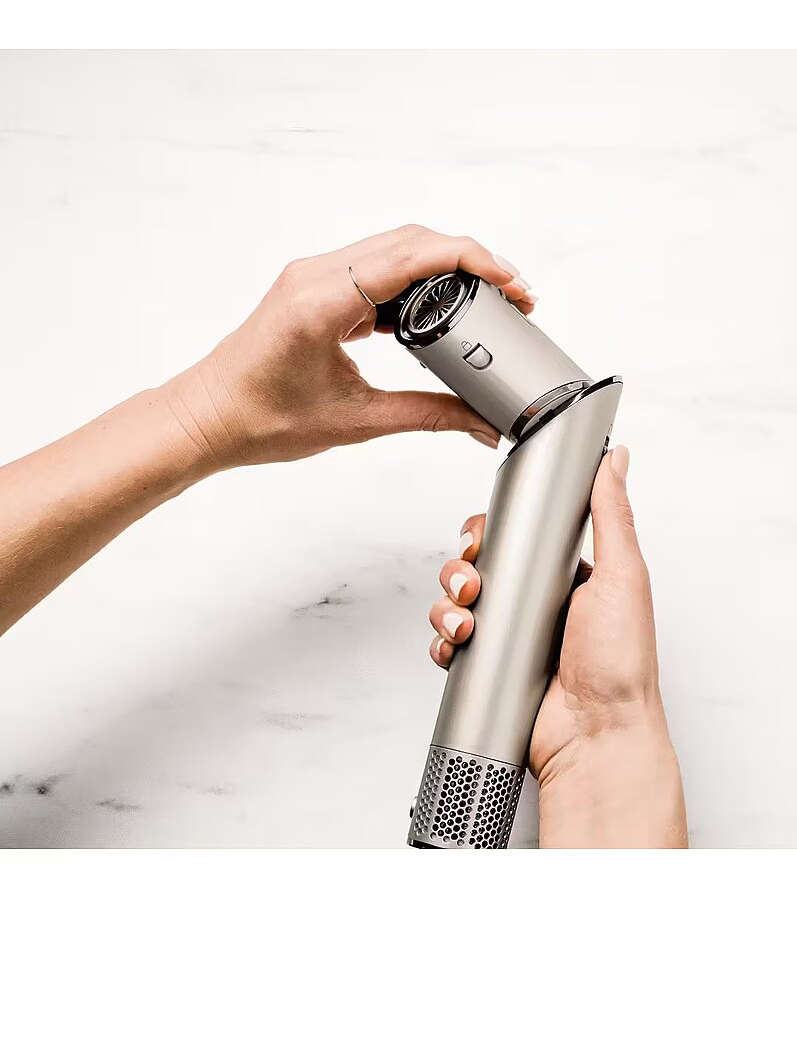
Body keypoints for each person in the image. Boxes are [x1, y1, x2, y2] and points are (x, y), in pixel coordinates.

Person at [0, 224, 687, 848]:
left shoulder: (565, 421)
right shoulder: (564, 423)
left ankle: (461, 822)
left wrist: (601, 732)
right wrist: (606, 737)